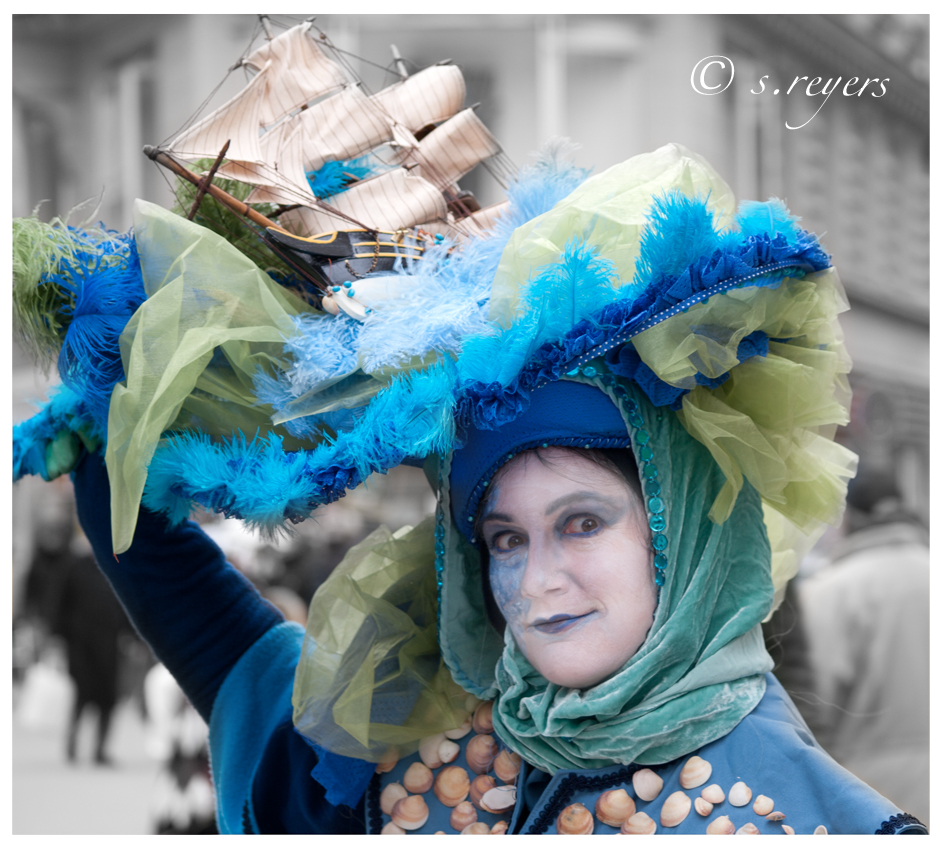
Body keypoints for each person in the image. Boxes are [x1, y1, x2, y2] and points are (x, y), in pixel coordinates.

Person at [13, 144, 927, 834]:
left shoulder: (831, 825)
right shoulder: (395, 761)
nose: (535, 582)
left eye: (581, 521)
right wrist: (125, 377)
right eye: (503, 538)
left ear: (677, 530)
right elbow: (180, 592)